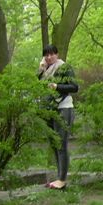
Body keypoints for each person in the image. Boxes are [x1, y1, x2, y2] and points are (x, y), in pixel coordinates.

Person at [37, 44, 78, 191]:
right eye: (46, 55)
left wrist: (57, 86)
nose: (49, 57)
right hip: (50, 110)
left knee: (61, 144)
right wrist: (41, 68)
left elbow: (74, 87)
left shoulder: (64, 68)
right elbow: (36, 85)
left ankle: (62, 180)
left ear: (57, 54)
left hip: (63, 108)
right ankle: (59, 177)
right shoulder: (45, 70)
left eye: (51, 54)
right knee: (55, 144)